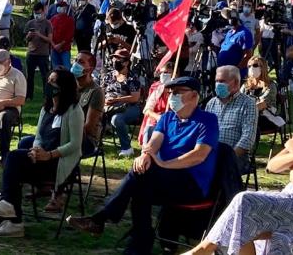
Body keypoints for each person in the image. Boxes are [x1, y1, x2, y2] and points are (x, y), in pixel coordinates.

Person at [66, 77, 219, 255]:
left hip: (191, 183)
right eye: (171, 93)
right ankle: (137, 245)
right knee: (140, 181)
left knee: (142, 176)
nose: (172, 97)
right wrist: (145, 154)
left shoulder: (208, 120)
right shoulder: (168, 117)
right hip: (164, 178)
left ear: (194, 96)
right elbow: (154, 142)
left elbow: (198, 155)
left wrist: (164, 164)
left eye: (178, 92)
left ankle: (104, 219)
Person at [184, 93, 293, 255]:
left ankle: (201, 251)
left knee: (245, 200)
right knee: (241, 223)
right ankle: (201, 251)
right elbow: (272, 166)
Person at [0, 69, 84, 237]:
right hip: (40, 158)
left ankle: (9, 211)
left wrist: (50, 154)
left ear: (63, 87)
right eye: (49, 80)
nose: (48, 85)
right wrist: (35, 149)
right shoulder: (46, 109)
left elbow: (75, 144)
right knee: (15, 166)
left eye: (53, 81)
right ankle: (12, 219)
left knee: (14, 158)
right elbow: (38, 136)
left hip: (58, 163)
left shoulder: (74, 111)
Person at [207, 66, 258, 174]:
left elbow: (248, 138)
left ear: (235, 83)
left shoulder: (248, 104)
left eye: (222, 81)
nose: (218, 84)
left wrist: (228, 157)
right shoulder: (211, 103)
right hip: (209, 153)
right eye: (216, 81)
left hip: (236, 156)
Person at [101, 49, 142, 157]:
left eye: (118, 59)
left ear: (126, 62)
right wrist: (104, 100)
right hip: (108, 106)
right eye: (114, 58)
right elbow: (101, 91)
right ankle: (93, 144)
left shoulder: (132, 77)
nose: (115, 60)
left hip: (130, 107)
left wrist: (116, 100)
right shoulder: (109, 75)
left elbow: (135, 98)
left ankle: (127, 148)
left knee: (116, 119)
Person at [71, 51, 105, 157]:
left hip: (86, 140)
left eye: (81, 62)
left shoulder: (96, 92)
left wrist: (64, 132)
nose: (76, 64)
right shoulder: (69, 87)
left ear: (90, 69)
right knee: (26, 143)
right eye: (75, 60)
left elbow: (89, 128)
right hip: (64, 134)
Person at [241, 56, 284, 132]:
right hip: (247, 116)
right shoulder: (246, 85)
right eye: (249, 66)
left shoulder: (270, 85)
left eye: (255, 65)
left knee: (246, 122)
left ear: (262, 68)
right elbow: (238, 100)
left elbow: (262, 105)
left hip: (266, 117)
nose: (251, 68)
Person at [138, 63, 172, 145]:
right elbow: (147, 109)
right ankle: (146, 154)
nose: (163, 75)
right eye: (162, 73)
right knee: (149, 129)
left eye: (167, 72)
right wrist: (158, 117)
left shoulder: (179, 90)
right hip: (156, 120)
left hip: (173, 121)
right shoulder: (156, 87)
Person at [24, 2, 53, 100]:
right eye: (35, 13)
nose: (37, 15)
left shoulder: (47, 24)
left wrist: (39, 34)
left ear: (43, 11)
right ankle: (29, 95)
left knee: (45, 76)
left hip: (43, 54)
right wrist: (29, 36)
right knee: (29, 76)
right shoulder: (30, 23)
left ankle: (46, 95)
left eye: (39, 13)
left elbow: (49, 39)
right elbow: (26, 40)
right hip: (31, 53)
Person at [217, 11, 254, 77]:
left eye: (227, 19)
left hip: (235, 76)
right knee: (221, 87)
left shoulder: (244, 33)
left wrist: (237, 69)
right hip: (222, 74)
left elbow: (248, 55)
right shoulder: (229, 32)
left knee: (233, 87)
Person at [48, 1, 74, 69]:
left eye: (61, 7)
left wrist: (60, 45)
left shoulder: (69, 20)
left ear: (65, 8)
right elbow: (49, 33)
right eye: (58, 7)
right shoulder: (52, 19)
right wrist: (54, 45)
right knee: (55, 68)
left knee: (66, 68)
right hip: (54, 48)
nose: (59, 8)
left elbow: (69, 35)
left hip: (65, 49)